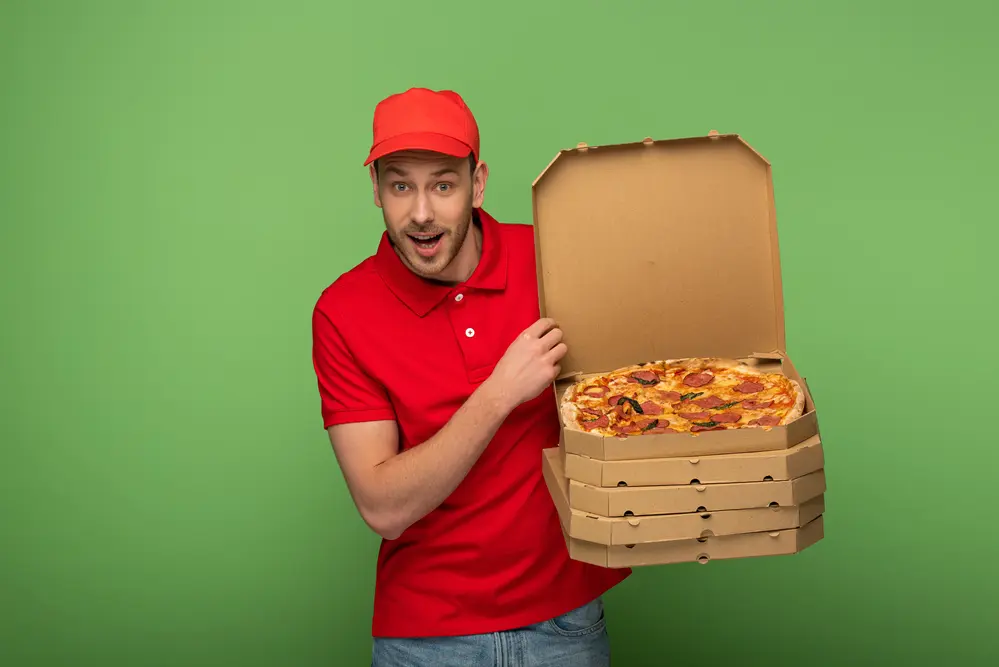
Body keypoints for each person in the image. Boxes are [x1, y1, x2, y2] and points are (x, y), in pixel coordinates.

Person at [310, 87, 630, 666]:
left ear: (477, 184)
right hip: (424, 639)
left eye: (443, 184)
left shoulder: (553, 260)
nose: (422, 212)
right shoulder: (342, 312)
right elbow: (383, 507)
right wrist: (501, 392)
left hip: (566, 624)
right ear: (377, 189)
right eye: (400, 185)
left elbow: (641, 381)